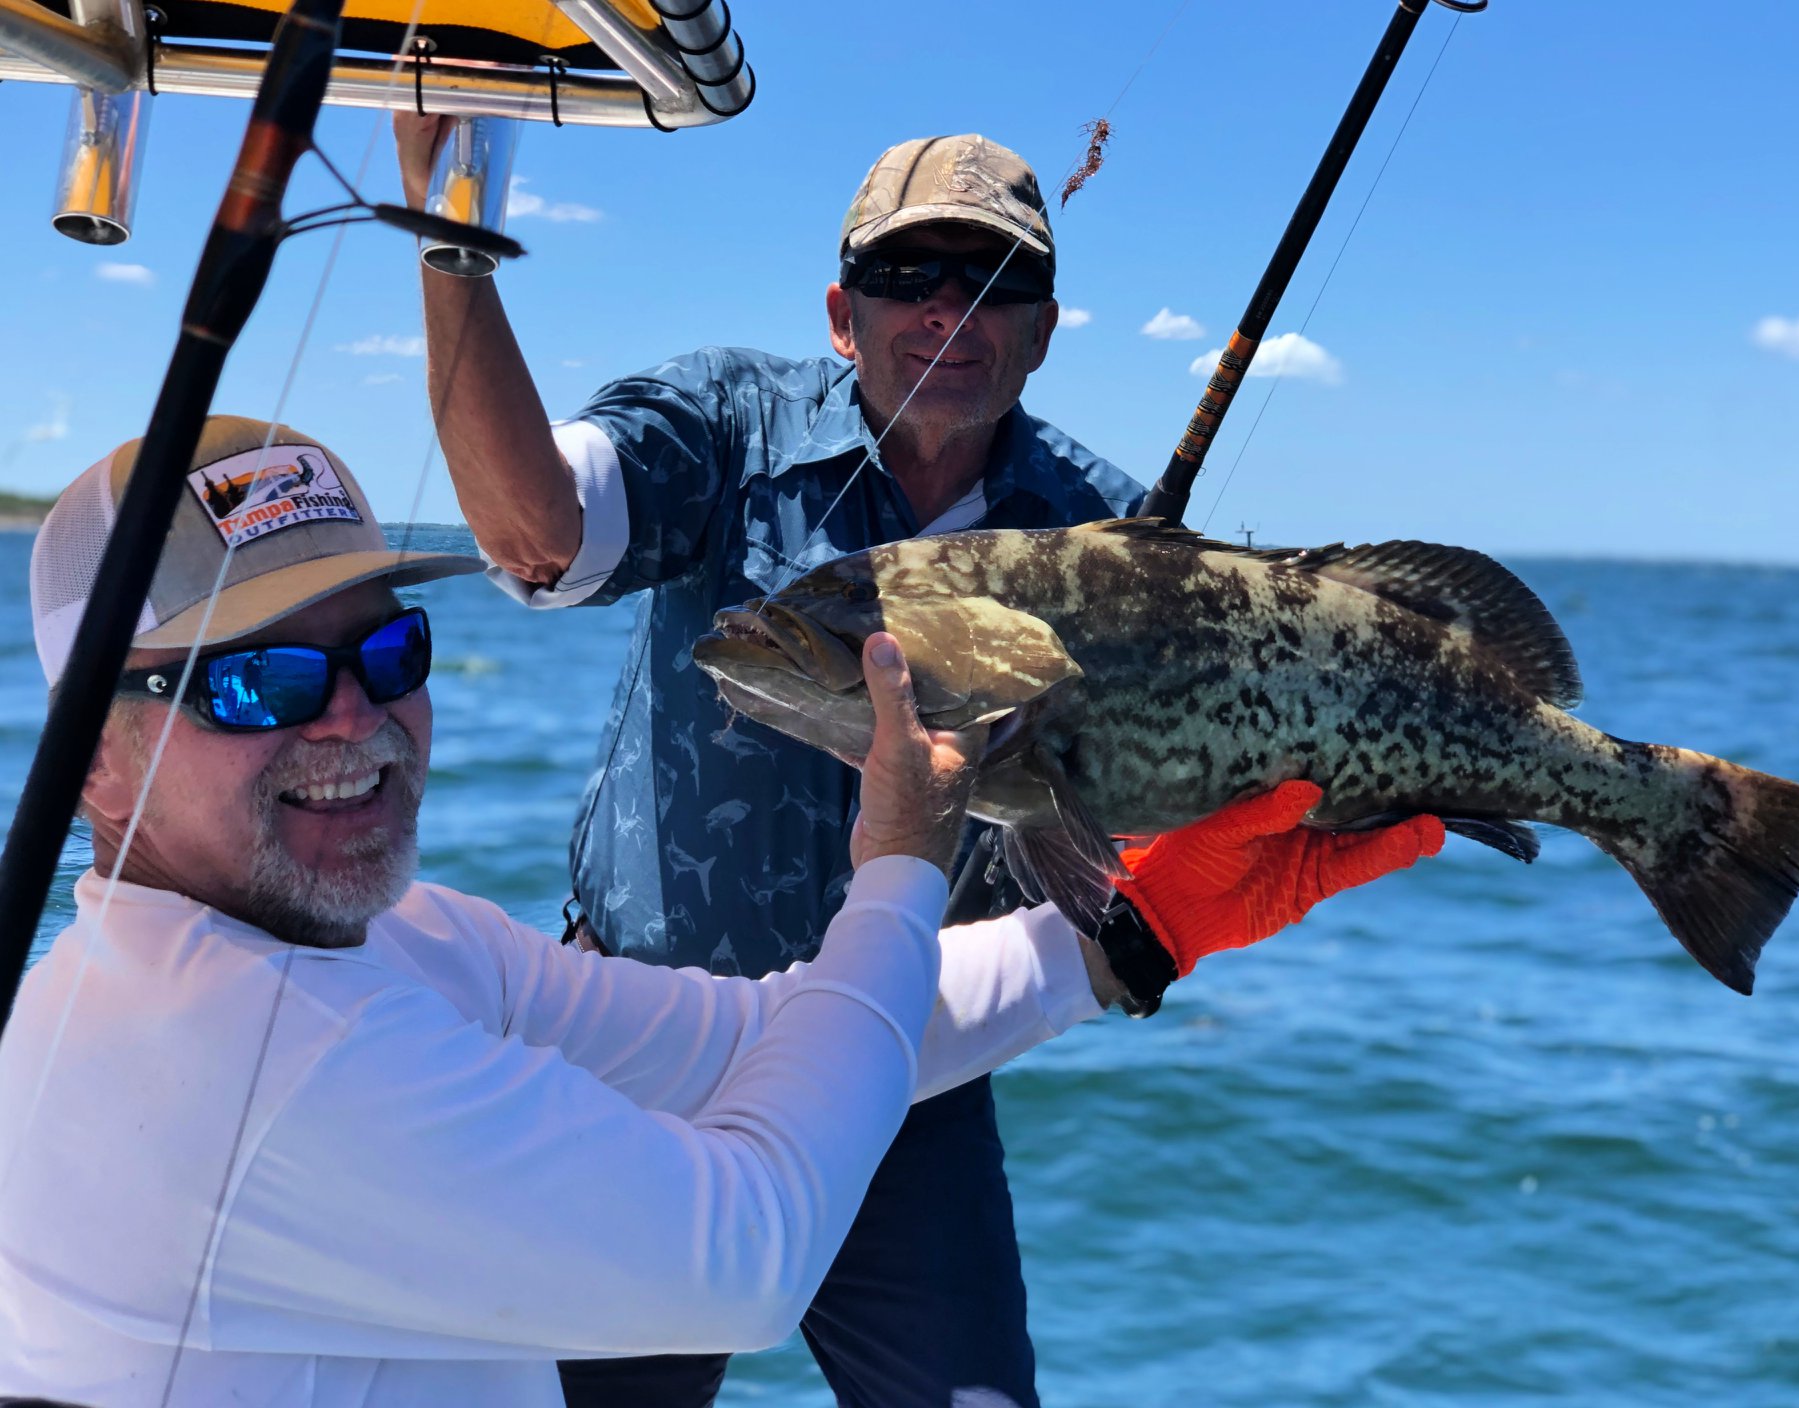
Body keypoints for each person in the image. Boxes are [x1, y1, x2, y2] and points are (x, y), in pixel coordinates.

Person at [0, 418, 1443, 1406]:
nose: (358, 719)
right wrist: (901, 855)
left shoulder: (395, 946)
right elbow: (746, 1260)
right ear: (89, 753)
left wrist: (1120, 936)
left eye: (387, 646)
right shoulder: (240, 1064)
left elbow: (758, 1037)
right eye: (258, 682)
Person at [396, 122, 1151, 1406]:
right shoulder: (724, 423)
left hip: (911, 1069)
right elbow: (536, 530)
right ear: (842, 313)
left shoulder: (1112, 537)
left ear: (1044, 328)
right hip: (642, 1048)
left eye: (994, 282)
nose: (949, 311)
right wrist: (450, 246)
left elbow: (1161, 805)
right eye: (909, 275)